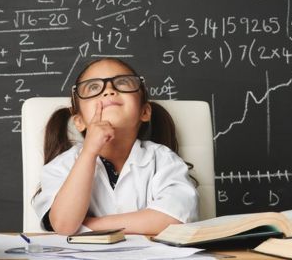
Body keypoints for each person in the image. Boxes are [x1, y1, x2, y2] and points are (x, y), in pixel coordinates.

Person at [32, 58, 198, 235]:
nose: (109, 90)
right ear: (79, 122)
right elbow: (64, 224)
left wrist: (87, 226)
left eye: (122, 83)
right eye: (93, 87)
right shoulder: (61, 166)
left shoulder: (164, 160)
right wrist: (89, 152)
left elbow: (174, 218)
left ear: (144, 112)